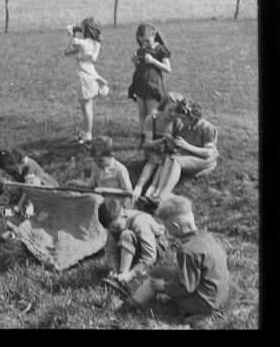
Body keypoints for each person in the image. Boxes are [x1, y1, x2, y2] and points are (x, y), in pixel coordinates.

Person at [130, 195, 229, 325]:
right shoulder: (207, 237)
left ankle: (130, 306)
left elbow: (186, 287)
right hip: (220, 296)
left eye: (167, 227)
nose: (166, 230)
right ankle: (135, 302)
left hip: (204, 303)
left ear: (175, 226)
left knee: (159, 283)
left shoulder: (187, 250)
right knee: (159, 272)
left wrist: (163, 286)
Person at [149, 100, 219, 204]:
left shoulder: (207, 128)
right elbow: (179, 149)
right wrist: (172, 144)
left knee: (176, 161)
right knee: (169, 158)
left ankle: (164, 194)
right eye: (180, 119)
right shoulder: (185, 127)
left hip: (204, 160)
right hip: (189, 156)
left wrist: (187, 146)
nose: (181, 121)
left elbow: (208, 153)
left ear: (194, 117)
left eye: (184, 119)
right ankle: (157, 192)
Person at [132, 92, 185, 205]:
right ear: (163, 106)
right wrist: (162, 140)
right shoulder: (153, 118)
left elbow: (178, 143)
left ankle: (151, 189)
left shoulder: (177, 122)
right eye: (170, 109)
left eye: (176, 111)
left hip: (167, 150)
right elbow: (147, 144)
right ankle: (139, 187)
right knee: (153, 162)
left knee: (163, 163)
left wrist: (172, 143)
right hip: (153, 148)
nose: (173, 114)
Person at [98, 199, 168, 283]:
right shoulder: (114, 222)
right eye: (110, 229)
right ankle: (120, 274)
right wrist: (115, 268)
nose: (114, 231)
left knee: (126, 235)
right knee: (124, 236)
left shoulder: (138, 221)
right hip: (137, 248)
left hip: (156, 247)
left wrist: (131, 273)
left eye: (116, 227)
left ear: (123, 214)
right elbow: (111, 250)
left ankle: (123, 276)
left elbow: (150, 255)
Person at [64, 17, 110, 144]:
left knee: (86, 108)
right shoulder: (96, 43)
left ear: (86, 30)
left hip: (83, 77)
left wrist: (71, 36)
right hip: (91, 73)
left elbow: (66, 52)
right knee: (87, 106)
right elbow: (93, 58)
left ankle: (88, 133)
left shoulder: (81, 43)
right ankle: (85, 131)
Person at [128, 23, 172, 149]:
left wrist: (153, 61)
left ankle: (153, 138)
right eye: (142, 41)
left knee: (152, 114)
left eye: (147, 40)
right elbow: (142, 67)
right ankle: (143, 137)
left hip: (153, 85)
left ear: (154, 35)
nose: (145, 43)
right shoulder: (141, 49)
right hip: (140, 84)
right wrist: (136, 62)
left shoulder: (160, 49)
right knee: (142, 112)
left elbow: (167, 68)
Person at [0, 147, 59, 217]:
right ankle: (20, 203)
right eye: (6, 170)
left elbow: (28, 187)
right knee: (8, 186)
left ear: (13, 162)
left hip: (46, 187)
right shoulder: (16, 170)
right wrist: (7, 203)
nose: (8, 172)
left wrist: (19, 205)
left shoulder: (28, 166)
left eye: (8, 169)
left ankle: (31, 206)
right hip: (31, 190)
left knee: (33, 182)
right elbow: (22, 185)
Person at [66, 136, 133, 195]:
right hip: (101, 197)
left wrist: (104, 190)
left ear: (110, 156)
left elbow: (128, 192)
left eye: (101, 160)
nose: (97, 163)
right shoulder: (96, 166)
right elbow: (91, 184)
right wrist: (74, 182)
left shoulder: (119, 169)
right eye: (95, 160)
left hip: (117, 201)